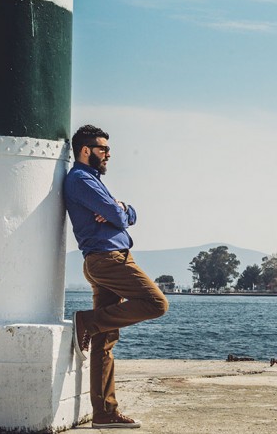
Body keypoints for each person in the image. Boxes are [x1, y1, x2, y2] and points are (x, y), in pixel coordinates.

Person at [64, 124, 169, 429]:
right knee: (156, 303)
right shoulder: (81, 180)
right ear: (86, 151)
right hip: (109, 260)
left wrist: (122, 208)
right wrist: (119, 211)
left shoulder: (91, 180)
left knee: (105, 341)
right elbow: (120, 218)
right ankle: (86, 321)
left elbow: (124, 213)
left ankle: (105, 412)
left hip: (106, 259)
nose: (108, 154)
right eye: (102, 149)